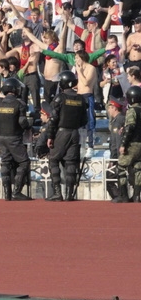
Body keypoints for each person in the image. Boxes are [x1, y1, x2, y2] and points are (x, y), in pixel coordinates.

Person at [0, 77, 32, 201]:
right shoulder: (19, 104)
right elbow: (22, 122)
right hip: (14, 137)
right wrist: (29, 126)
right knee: (24, 162)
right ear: (15, 89)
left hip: (0, 137)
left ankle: (7, 193)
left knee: (5, 162)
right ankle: (16, 191)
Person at [46, 70, 87, 202]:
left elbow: (53, 119)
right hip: (75, 132)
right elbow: (84, 120)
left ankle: (57, 192)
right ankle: (70, 194)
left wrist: (50, 136)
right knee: (70, 162)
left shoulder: (60, 98)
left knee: (53, 159)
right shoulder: (81, 99)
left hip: (61, 132)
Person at [112, 86, 141, 203]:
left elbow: (130, 127)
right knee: (138, 168)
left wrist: (123, 144)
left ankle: (123, 195)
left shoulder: (132, 111)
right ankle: (137, 196)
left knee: (121, 166)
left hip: (132, 143)